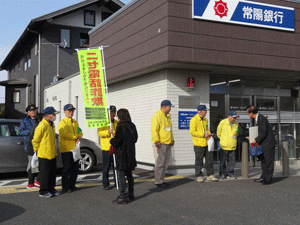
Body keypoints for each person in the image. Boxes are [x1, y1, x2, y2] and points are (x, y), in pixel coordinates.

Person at [110, 109, 138, 204]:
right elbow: (135, 139)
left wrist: (111, 139)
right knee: (129, 175)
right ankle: (131, 193)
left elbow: (116, 142)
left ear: (120, 117)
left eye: (118, 116)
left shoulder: (120, 127)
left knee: (121, 175)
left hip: (122, 155)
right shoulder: (132, 125)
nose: (117, 118)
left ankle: (122, 195)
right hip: (130, 154)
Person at [32, 106, 60, 198]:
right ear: (47, 115)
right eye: (53, 114)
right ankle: (43, 191)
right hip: (44, 154)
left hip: (52, 153)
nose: (54, 116)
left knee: (52, 173)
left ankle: (51, 188)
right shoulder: (42, 125)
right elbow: (35, 139)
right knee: (44, 174)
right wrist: (36, 148)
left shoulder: (51, 124)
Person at [247, 105, 276, 185]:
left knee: (268, 162)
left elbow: (263, 132)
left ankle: (268, 180)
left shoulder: (261, 119)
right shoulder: (258, 118)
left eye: (248, 113)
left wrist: (255, 140)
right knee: (263, 162)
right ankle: (263, 177)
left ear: (251, 113)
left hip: (268, 144)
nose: (248, 115)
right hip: (263, 144)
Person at [59, 104, 83, 193]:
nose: (71, 112)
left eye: (72, 110)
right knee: (66, 169)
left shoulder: (75, 122)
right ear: (64, 111)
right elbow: (64, 134)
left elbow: (80, 131)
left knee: (75, 168)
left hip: (74, 149)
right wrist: (76, 136)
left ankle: (72, 185)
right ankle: (65, 187)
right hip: (66, 149)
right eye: (69, 111)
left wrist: (79, 136)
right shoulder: (62, 123)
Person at [190, 105, 218, 182]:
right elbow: (192, 132)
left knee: (209, 159)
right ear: (201, 111)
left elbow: (206, 129)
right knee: (199, 160)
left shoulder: (205, 120)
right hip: (198, 144)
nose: (206, 112)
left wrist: (209, 134)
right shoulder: (194, 119)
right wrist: (203, 134)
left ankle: (210, 175)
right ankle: (199, 175)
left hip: (207, 143)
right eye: (205, 110)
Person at [151, 100, 174, 188]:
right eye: (169, 107)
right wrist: (156, 141)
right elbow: (154, 130)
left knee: (165, 163)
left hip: (168, 143)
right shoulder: (157, 116)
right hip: (160, 143)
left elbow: (169, 130)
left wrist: (172, 139)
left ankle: (162, 179)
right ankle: (158, 181)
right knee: (160, 163)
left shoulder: (167, 117)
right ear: (165, 106)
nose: (170, 108)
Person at [19, 104, 40, 188]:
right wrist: (31, 131)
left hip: (39, 144)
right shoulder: (24, 120)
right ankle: (30, 182)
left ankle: (37, 181)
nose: (33, 112)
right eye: (31, 111)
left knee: (39, 163)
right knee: (32, 163)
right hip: (30, 145)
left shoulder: (38, 120)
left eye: (34, 110)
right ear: (28, 113)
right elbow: (20, 131)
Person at [97, 105, 118, 190]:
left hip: (115, 147)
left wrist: (114, 131)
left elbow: (118, 132)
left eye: (114, 112)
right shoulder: (103, 122)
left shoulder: (116, 122)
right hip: (107, 148)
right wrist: (108, 132)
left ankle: (117, 182)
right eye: (111, 112)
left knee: (116, 166)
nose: (113, 113)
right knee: (106, 166)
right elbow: (100, 133)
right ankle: (105, 183)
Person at [217, 110, 239, 180]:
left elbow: (237, 132)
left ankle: (230, 173)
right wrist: (223, 139)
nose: (234, 119)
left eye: (235, 117)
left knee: (232, 161)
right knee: (223, 161)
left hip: (232, 145)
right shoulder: (223, 122)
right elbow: (218, 133)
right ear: (229, 117)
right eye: (233, 117)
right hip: (224, 145)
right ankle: (223, 174)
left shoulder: (236, 123)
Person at [26, 113, 43, 189]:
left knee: (32, 166)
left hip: (32, 149)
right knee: (34, 166)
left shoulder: (37, 125)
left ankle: (31, 183)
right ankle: (34, 182)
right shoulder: (38, 127)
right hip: (34, 149)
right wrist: (36, 148)